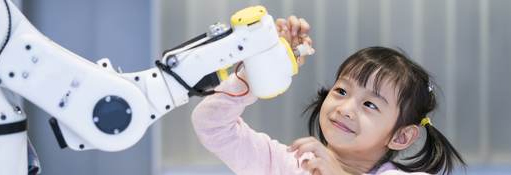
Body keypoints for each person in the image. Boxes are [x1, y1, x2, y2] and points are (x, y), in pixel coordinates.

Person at [191, 16, 466, 175]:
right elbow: (211, 125)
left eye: (370, 104)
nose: (345, 107)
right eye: (342, 90)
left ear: (401, 136)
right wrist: (261, 71)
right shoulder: (285, 164)